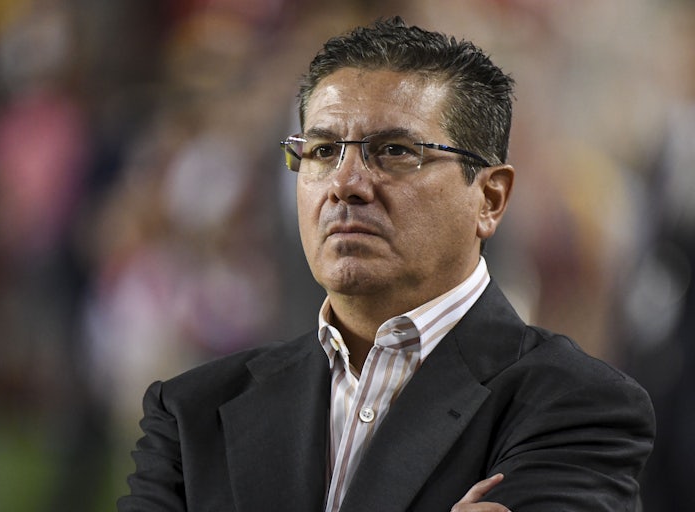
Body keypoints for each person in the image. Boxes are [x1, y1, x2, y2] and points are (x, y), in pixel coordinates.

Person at [117, 17, 655, 512]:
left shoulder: (578, 407)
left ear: (489, 199)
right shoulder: (190, 413)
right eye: (323, 151)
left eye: (395, 151)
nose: (346, 185)